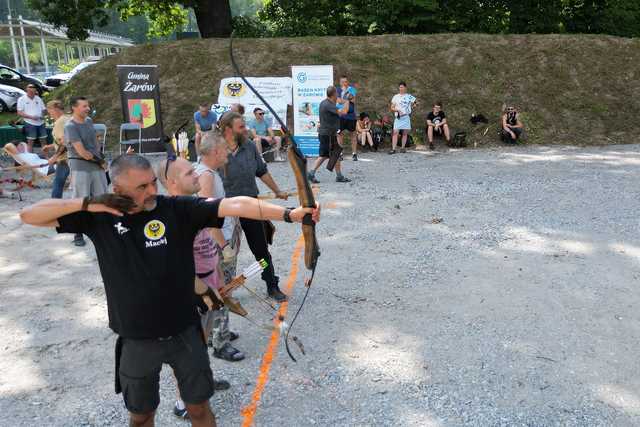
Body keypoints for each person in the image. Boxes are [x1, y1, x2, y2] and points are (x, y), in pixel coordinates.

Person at [19, 153, 320, 427]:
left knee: (199, 409)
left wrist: (290, 214)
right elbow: (29, 215)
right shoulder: (98, 216)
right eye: (141, 187)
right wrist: (87, 203)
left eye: (153, 182)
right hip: (136, 338)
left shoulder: (175, 209)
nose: (152, 191)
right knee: (141, 416)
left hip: (185, 331)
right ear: (117, 188)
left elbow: (235, 204)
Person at [156, 155, 233, 420]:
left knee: (203, 342)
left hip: (210, 283)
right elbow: (170, 267)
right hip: (192, 293)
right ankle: (183, 401)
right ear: (172, 182)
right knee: (188, 350)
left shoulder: (196, 207)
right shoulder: (171, 215)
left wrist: (219, 277)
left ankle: (203, 385)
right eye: (190, 173)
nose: (198, 175)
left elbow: (210, 242)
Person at [217, 112, 290, 302]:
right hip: (225, 209)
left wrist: (277, 190)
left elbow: (261, 171)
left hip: (250, 204)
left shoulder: (249, 146)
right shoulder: (215, 149)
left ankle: (271, 285)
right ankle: (222, 291)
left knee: (261, 250)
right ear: (227, 130)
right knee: (225, 254)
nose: (246, 129)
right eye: (241, 127)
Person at [195, 131, 245, 362]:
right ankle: (219, 342)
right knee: (221, 291)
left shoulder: (207, 172)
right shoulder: (205, 175)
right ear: (215, 151)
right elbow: (206, 216)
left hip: (218, 241)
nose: (228, 152)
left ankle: (220, 331)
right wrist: (223, 245)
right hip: (216, 244)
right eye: (224, 149)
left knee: (223, 289)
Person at [65, 96, 108, 247]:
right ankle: (78, 233)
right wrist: (100, 161)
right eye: (84, 106)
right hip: (80, 167)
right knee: (80, 200)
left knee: (101, 198)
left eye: (88, 106)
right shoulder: (70, 126)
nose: (87, 108)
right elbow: (82, 152)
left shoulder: (89, 121)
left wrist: (101, 156)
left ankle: (103, 228)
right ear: (74, 108)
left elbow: (95, 143)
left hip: (96, 165)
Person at [307, 86, 351, 184]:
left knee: (334, 154)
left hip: (329, 134)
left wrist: (342, 101)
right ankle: (311, 173)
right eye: (337, 94)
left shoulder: (326, 102)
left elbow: (337, 106)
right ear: (334, 94)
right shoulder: (328, 104)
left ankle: (338, 176)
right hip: (327, 134)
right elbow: (343, 112)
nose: (338, 95)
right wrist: (347, 102)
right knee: (327, 155)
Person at [43, 100, 71, 198]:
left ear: (55, 109)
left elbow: (65, 142)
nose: (49, 113)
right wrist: (50, 146)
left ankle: (55, 205)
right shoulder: (68, 118)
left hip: (65, 158)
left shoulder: (60, 122)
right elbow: (64, 139)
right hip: (72, 157)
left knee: (58, 184)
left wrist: (54, 157)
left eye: (49, 110)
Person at [16, 83, 47, 152]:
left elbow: (44, 110)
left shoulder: (38, 98)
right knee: (30, 142)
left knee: (44, 141)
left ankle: (47, 158)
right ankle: (30, 159)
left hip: (41, 123)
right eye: (29, 90)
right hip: (30, 123)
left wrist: (42, 115)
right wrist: (31, 117)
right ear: (26, 90)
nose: (31, 92)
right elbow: (19, 112)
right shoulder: (21, 99)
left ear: (35, 90)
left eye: (33, 90)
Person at [389, 82, 417, 154]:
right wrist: (398, 110)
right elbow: (392, 108)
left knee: (405, 133)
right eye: (400, 87)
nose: (401, 88)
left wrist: (412, 106)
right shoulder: (396, 97)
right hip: (398, 117)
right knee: (395, 132)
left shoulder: (409, 96)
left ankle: (403, 148)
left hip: (406, 117)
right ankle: (393, 149)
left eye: (402, 87)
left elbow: (416, 103)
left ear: (405, 88)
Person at [336, 76, 359, 161]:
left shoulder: (352, 89)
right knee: (339, 134)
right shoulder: (337, 89)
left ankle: (354, 154)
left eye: (345, 81)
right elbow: (338, 100)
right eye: (342, 82)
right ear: (340, 82)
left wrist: (346, 97)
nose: (344, 83)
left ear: (347, 82)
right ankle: (340, 154)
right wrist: (347, 101)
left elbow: (353, 100)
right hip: (340, 115)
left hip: (350, 115)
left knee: (353, 134)